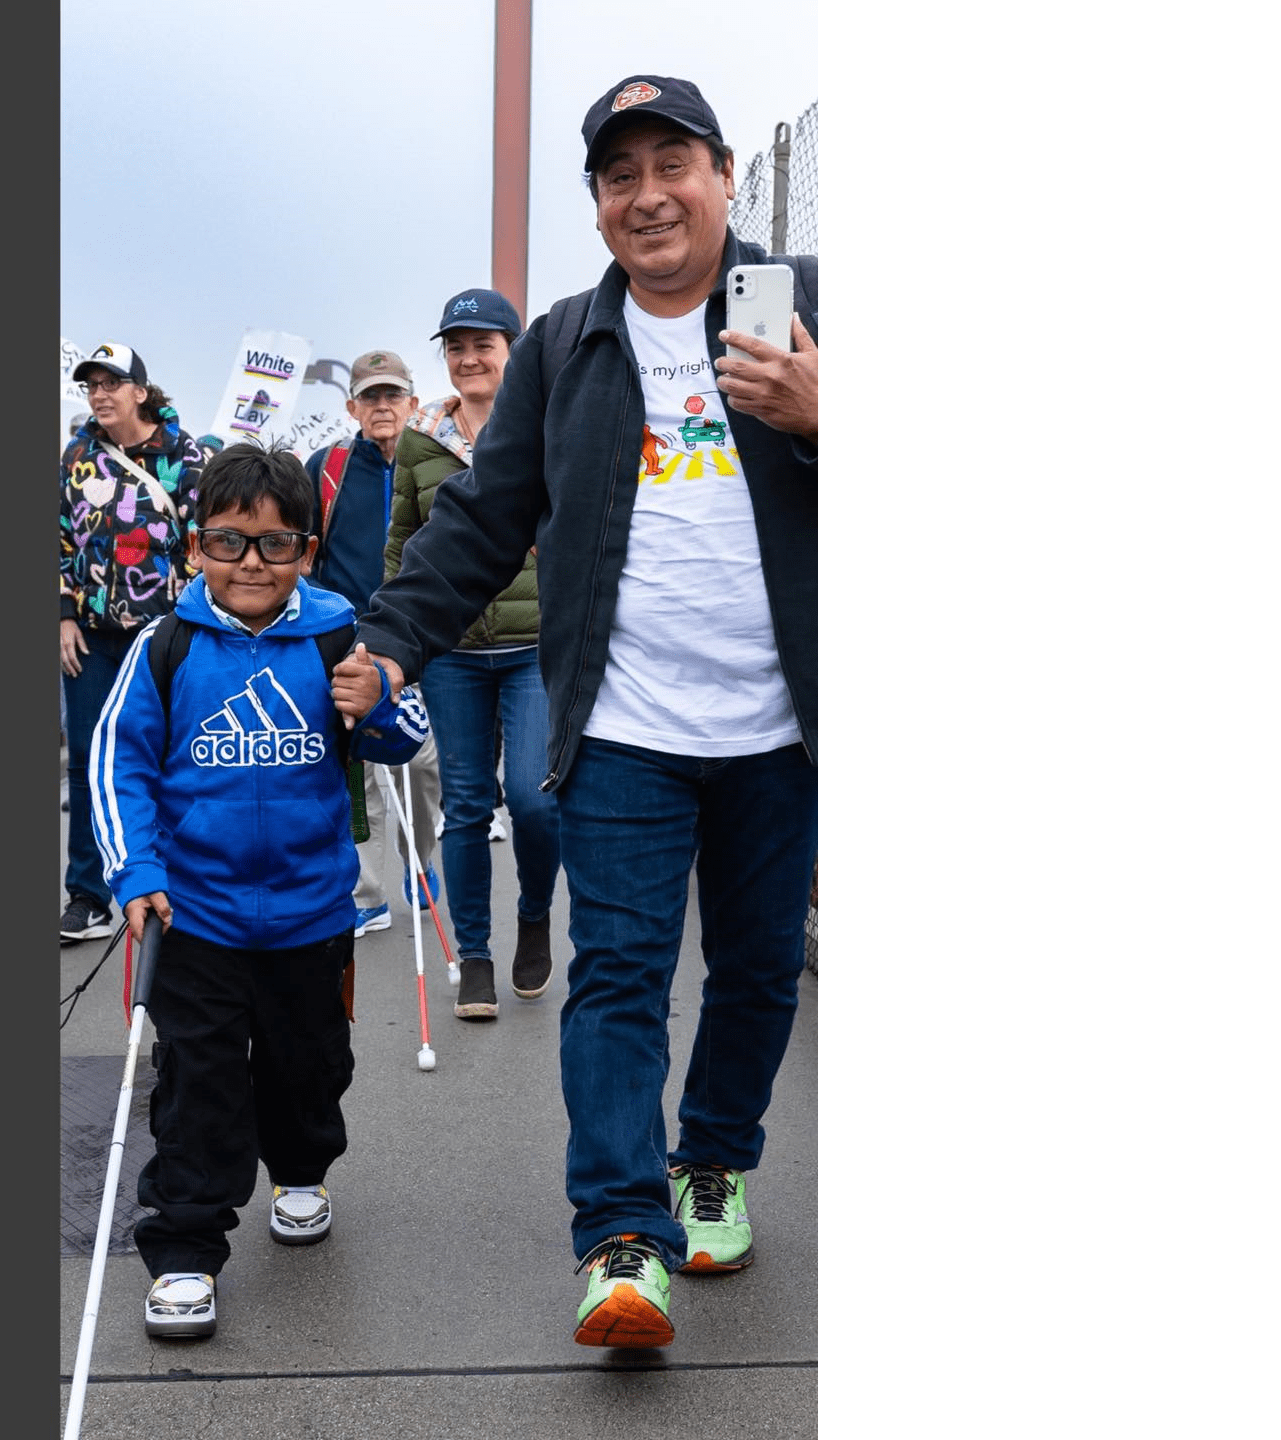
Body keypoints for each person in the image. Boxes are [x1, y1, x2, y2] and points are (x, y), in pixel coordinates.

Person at [333, 74, 819, 1349]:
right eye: (618, 176)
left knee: (759, 969)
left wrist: (826, 418)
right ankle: (618, 1239)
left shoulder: (814, 308)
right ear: (597, 205)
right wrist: (388, 642)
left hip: (785, 728)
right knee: (616, 976)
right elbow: (486, 517)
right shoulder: (562, 344)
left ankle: (709, 1163)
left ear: (722, 175)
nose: (648, 196)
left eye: (673, 164)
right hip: (621, 726)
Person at [91, 444, 429, 1340]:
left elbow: (402, 743)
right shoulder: (165, 645)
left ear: (307, 553)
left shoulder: (334, 631)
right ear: (196, 548)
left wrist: (382, 696)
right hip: (193, 914)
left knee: (308, 1070)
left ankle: (301, 1166)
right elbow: (116, 761)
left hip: (312, 914)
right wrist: (137, 870)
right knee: (198, 1083)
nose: (251, 564)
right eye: (229, 543)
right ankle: (186, 1249)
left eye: (275, 546)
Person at [384, 287, 561, 1022]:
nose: (468, 358)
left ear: (512, 351)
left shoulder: (545, 425)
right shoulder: (419, 441)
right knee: (463, 807)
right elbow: (401, 546)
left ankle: (534, 916)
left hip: (532, 647)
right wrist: (394, 643)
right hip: (453, 651)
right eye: (455, 347)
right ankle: (478, 956)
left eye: (483, 344)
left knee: (532, 799)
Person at [59, 342, 209, 944]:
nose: (99, 394)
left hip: (163, 635)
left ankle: (172, 879)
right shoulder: (75, 458)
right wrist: (62, 615)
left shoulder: (186, 458)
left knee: (170, 755)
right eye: (91, 384)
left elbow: (203, 544)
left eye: (112, 383)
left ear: (141, 393)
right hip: (91, 636)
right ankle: (88, 894)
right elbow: (61, 542)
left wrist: (195, 624)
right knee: (87, 762)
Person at [305, 350, 442, 939]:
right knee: (356, 767)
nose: (382, 407)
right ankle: (365, 893)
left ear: (413, 402)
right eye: (370, 397)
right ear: (351, 406)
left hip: (424, 631)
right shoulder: (327, 466)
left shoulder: (436, 460)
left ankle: (421, 857)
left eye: (393, 396)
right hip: (352, 636)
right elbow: (305, 547)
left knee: (423, 759)